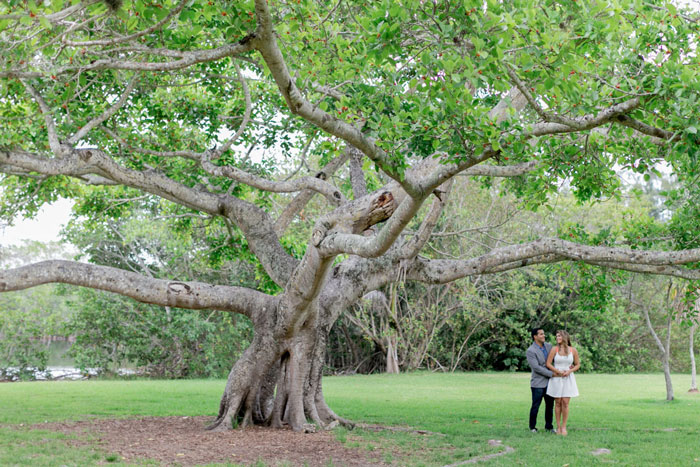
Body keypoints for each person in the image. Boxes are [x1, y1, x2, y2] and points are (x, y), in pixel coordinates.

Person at [526, 328, 560, 433]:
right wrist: (551, 374)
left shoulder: (549, 346)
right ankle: (532, 427)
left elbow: (556, 359)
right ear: (535, 337)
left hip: (550, 383)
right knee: (536, 405)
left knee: (550, 406)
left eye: (544, 333)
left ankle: (549, 427)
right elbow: (536, 367)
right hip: (538, 383)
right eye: (541, 334)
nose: (544, 335)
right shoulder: (530, 351)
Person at [546, 330, 580, 436]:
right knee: (558, 402)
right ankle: (558, 426)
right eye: (556, 336)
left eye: (559, 336)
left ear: (564, 337)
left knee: (565, 403)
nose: (557, 338)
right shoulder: (554, 349)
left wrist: (569, 371)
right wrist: (558, 371)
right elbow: (548, 363)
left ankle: (564, 426)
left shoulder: (573, 350)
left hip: (568, 378)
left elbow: (577, 364)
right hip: (557, 378)